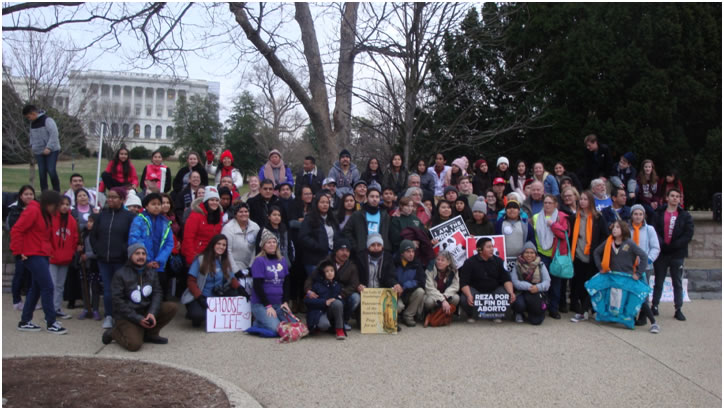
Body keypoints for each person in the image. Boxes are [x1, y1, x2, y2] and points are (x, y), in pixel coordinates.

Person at [102, 243, 178, 350]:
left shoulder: (151, 272)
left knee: (172, 307)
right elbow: (118, 302)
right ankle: (113, 333)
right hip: (127, 316)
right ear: (130, 256)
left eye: (143, 253)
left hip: (145, 311)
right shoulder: (120, 274)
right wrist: (138, 319)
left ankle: (150, 334)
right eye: (137, 253)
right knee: (134, 345)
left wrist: (152, 313)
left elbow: (157, 293)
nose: (141, 256)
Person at [12, 190, 67, 334]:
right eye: (56, 205)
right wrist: (18, 252)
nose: (57, 209)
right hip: (32, 254)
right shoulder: (33, 211)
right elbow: (17, 230)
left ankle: (25, 321)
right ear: (49, 204)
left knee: (36, 288)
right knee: (48, 287)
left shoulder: (45, 213)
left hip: (41, 253)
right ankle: (51, 322)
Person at [593, 220, 655, 332]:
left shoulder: (629, 243)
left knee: (639, 297)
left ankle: (654, 323)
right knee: (593, 286)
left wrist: (638, 273)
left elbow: (644, 257)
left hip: (627, 277)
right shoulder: (608, 242)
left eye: (617, 227)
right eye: (614, 227)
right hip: (612, 276)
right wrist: (600, 267)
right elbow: (596, 252)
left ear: (623, 230)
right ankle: (583, 313)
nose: (614, 229)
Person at [92, 187, 136, 329]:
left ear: (122, 200)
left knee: (122, 289)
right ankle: (109, 315)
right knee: (108, 289)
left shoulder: (129, 217)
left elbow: (131, 237)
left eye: (114, 197)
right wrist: (98, 250)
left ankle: (122, 315)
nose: (110, 199)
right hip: (103, 259)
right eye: (109, 197)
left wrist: (124, 251)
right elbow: (93, 236)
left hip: (121, 259)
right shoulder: (101, 216)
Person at [181, 234, 244, 328]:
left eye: (224, 245)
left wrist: (241, 289)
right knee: (197, 315)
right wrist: (199, 297)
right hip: (201, 295)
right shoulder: (201, 259)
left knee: (237, 296)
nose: (221, 247)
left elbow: (232, 279)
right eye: (219, 244)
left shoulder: (224, 260)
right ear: (213, 244)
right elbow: (191, 281)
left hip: (217, 297)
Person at [651, 188, 694, 321]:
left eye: (677, 196)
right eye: (673, 196)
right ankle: (655, 305)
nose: (675, 198)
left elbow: (688, 233)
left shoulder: (685, 215)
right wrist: (662, 243)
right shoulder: (658, 213)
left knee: (677, 281)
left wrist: (676, 245)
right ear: (667, 198)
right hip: (662, 252)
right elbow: (653, 230)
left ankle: (678, 308)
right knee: (659, 280)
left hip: (677, 253)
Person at [569, 190, 609, 323]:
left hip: (592, 256)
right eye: (581, 199)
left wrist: (598, 250)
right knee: (580, 282)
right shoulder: (575, 217)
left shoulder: (598, 217)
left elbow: (605, 236)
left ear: (591, 201)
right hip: (578, 254)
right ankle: (582, 308)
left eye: (585, 199)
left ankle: (592, 308)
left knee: (592, 283)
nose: (582, 201)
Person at [305, 238, 360, 330]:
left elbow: (354, 285)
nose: (345, 253)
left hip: (341, 295)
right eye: (342, 250)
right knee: (323, 326)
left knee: (356, 297)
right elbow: (311, 278)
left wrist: (341, 294)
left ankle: (344, 321)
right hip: (324, 295)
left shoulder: (351, 266)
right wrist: (308, 290)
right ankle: (322, 319)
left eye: (347, 251)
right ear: (336, 251)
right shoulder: (325, 262)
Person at [459, 237, 516, 323]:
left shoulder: (499, 261)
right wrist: (469, 295)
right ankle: (472, 314)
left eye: (492, 246)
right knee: (464, 298)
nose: (492, 249)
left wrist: (511, 292)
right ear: (480, 250)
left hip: (494, 290)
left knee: (507, 296)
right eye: (488, 247)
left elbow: (506, 279)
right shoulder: (469, 262)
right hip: (476, 290)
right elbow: (464, 282)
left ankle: (496, 314)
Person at [532, 194, 569, 319]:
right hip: (541, 253)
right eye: (545, 203)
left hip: (556, 255)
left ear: (555, 205)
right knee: (542, 283)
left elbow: (564, 235)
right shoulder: (536, 217)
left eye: (550, 203)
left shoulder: (562, 217)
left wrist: (553, 225)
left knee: (556, 284)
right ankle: (543, 306)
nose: (547, 205)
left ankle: (554, 309)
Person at [249, 230, 294, 333]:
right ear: (263, 245)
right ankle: (258, 322)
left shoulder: (282, 260)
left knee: (292, 325)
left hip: (278, 303)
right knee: (276, 329)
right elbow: (257, 286)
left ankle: (266, 320)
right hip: (261, 304)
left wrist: (285, 302)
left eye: (274, 242)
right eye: (268, 242)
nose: (272, 244)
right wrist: (267, 305)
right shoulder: (259, 261)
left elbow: (286, 282)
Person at [128, 193, 174, 287]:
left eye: (158, 204)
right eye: (153, 204)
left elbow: (169, 243)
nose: (156, 207)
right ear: (146, 206)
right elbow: (135, 240)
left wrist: (159, 260)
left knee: (159, 289)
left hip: (159, 265)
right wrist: (147, 259)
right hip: (142, 263)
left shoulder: (166, 222)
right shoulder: (139, 220)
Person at [629, 205, 661, 327]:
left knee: (644, 292)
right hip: (630, 266)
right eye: (635, 214)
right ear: (631, 215)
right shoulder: (627, 229)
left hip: (645, 267)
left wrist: (648, 260)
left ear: (644, 216)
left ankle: (643, 316)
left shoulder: (649, 230)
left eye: (640, 214)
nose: (638, 216)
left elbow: (655, 247)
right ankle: (630, 314)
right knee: (630, 291)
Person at [48, 196, 78, 320]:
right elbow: (47, 236)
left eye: (67, 204)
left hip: (65, 257)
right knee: (52, 285)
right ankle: (49, 310)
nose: (65, 206)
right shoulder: (51, 218)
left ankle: (57, 308)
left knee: (60, 285)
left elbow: (75, 237)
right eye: (62, 204)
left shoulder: (71, 220)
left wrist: (71, 252)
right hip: (52, 257)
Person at [6, 185, 35, 311]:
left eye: (31, 194)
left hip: (33, 247)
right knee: (20, 273)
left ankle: (30, 300)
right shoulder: (15, 210)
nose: (29, 196)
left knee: (31, 275)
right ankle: (16, 300)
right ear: (21, 196)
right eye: (26, 194)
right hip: (21, 247)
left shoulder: (36, 208)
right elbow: (15, 229)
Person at [343, 185, 392, 257]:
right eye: (372, 196)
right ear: (366, 198)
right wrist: (356, 246)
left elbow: (389, 234)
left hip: (381, 252)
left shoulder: (385, 215)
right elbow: (346, 231)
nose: (374, 199)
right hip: (362, 252)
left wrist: (387, 247)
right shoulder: (357, 214)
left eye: (377, 197)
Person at [298, 192, 339, 276]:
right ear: (316, 203)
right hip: (314, 259)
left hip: (330, 257)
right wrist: (318, 245)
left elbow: (337, 235)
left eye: (327, 203)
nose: (325, 205)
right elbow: (303, 237)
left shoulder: (332, 219)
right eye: (322, 202)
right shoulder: (309, 218)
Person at [221, 203, 260, 292]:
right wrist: (235, 270)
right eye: (240, 212)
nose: (243, 214)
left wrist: (251, 267)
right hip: (232, 266)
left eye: (246, 211)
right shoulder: (228, 228)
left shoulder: (255, 227)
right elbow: (227, 250)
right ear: (235, 214)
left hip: (250, 265)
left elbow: (256, 248)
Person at [510, 242, 551, 325]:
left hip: (536, 292)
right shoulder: (517, 265)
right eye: (526, 252)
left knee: (537, 321)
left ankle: (533, 313)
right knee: (519, 304)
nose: (529, 255)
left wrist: (538, 287)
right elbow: (515, 282)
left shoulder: (541, 265)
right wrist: (529, 287)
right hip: (521, 291)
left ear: (535, 254)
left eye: (532, 253)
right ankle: (519, 313)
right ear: (522, 253)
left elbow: (547, 281)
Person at [304, 261, 346, 339]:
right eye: (327, 271)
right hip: (319, 312)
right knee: (324, 325)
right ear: (323, 273)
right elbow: (307, 301)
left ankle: (339, 330)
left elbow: (342, 301)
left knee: (338, 303)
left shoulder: (338, 285)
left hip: (331, 311)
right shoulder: (317, 285)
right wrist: (324, 302)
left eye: (332, 271)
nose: (330, 273)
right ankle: (320, 326)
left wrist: (338, 300)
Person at [181, 186, 224, 266]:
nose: (214, 202)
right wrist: (191, 259)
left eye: (217, 200)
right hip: (196, 255)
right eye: (211, 200)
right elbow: (188, 238)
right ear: (206, 201)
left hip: (211, 256)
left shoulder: (219, 216)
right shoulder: (195, 215)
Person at [23, 104, 61, 192]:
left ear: (33, 113)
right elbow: (32, 136)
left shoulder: (47, 120)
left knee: (51, 170)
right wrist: (32, 146)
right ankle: (44, 193)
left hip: (52, 150)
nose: (29, 119)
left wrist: (49, 147)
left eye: (29, 117)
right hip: (39, 151)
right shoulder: (32, 124)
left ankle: (57, 191)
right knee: (42, 173)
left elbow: (54, 134)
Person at [392, 240, 426, 327]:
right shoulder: (393, 261)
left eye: (413, 251)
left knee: (420, 291)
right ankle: (395, 317)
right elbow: (389, 277)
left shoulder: (417, 263)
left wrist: (405, 286)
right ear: (402, 253)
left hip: (408, 292)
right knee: (398, 307)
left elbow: (421, 281)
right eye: (408, 251)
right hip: (395, 292)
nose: (411, 254)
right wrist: (396, 285)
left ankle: (408, 316)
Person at [422, 250, 459, 327]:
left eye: (442, 260)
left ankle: (435, 317)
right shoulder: (430, 269)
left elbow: (455, 286)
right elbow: (429, 288)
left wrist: (445, 296)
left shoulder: (453, 270)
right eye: (438, 259)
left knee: (456, 298)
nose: (439, 262)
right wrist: (442, 300)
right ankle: (431, 314)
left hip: (445, 295)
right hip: (433, 295)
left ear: (448, 262)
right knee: (429, 302)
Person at [77, 214, 102, 320]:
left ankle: (95, 309)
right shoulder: (84, 234)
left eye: (91, 221)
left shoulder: (99, 236)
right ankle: (86, 308)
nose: (89, 223)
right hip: (84, 265)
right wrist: (79, 250)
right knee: (84, 287)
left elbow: (99, 251)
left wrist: (88, 255)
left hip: (94, 265)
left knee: (95, 287)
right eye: (88, 221)